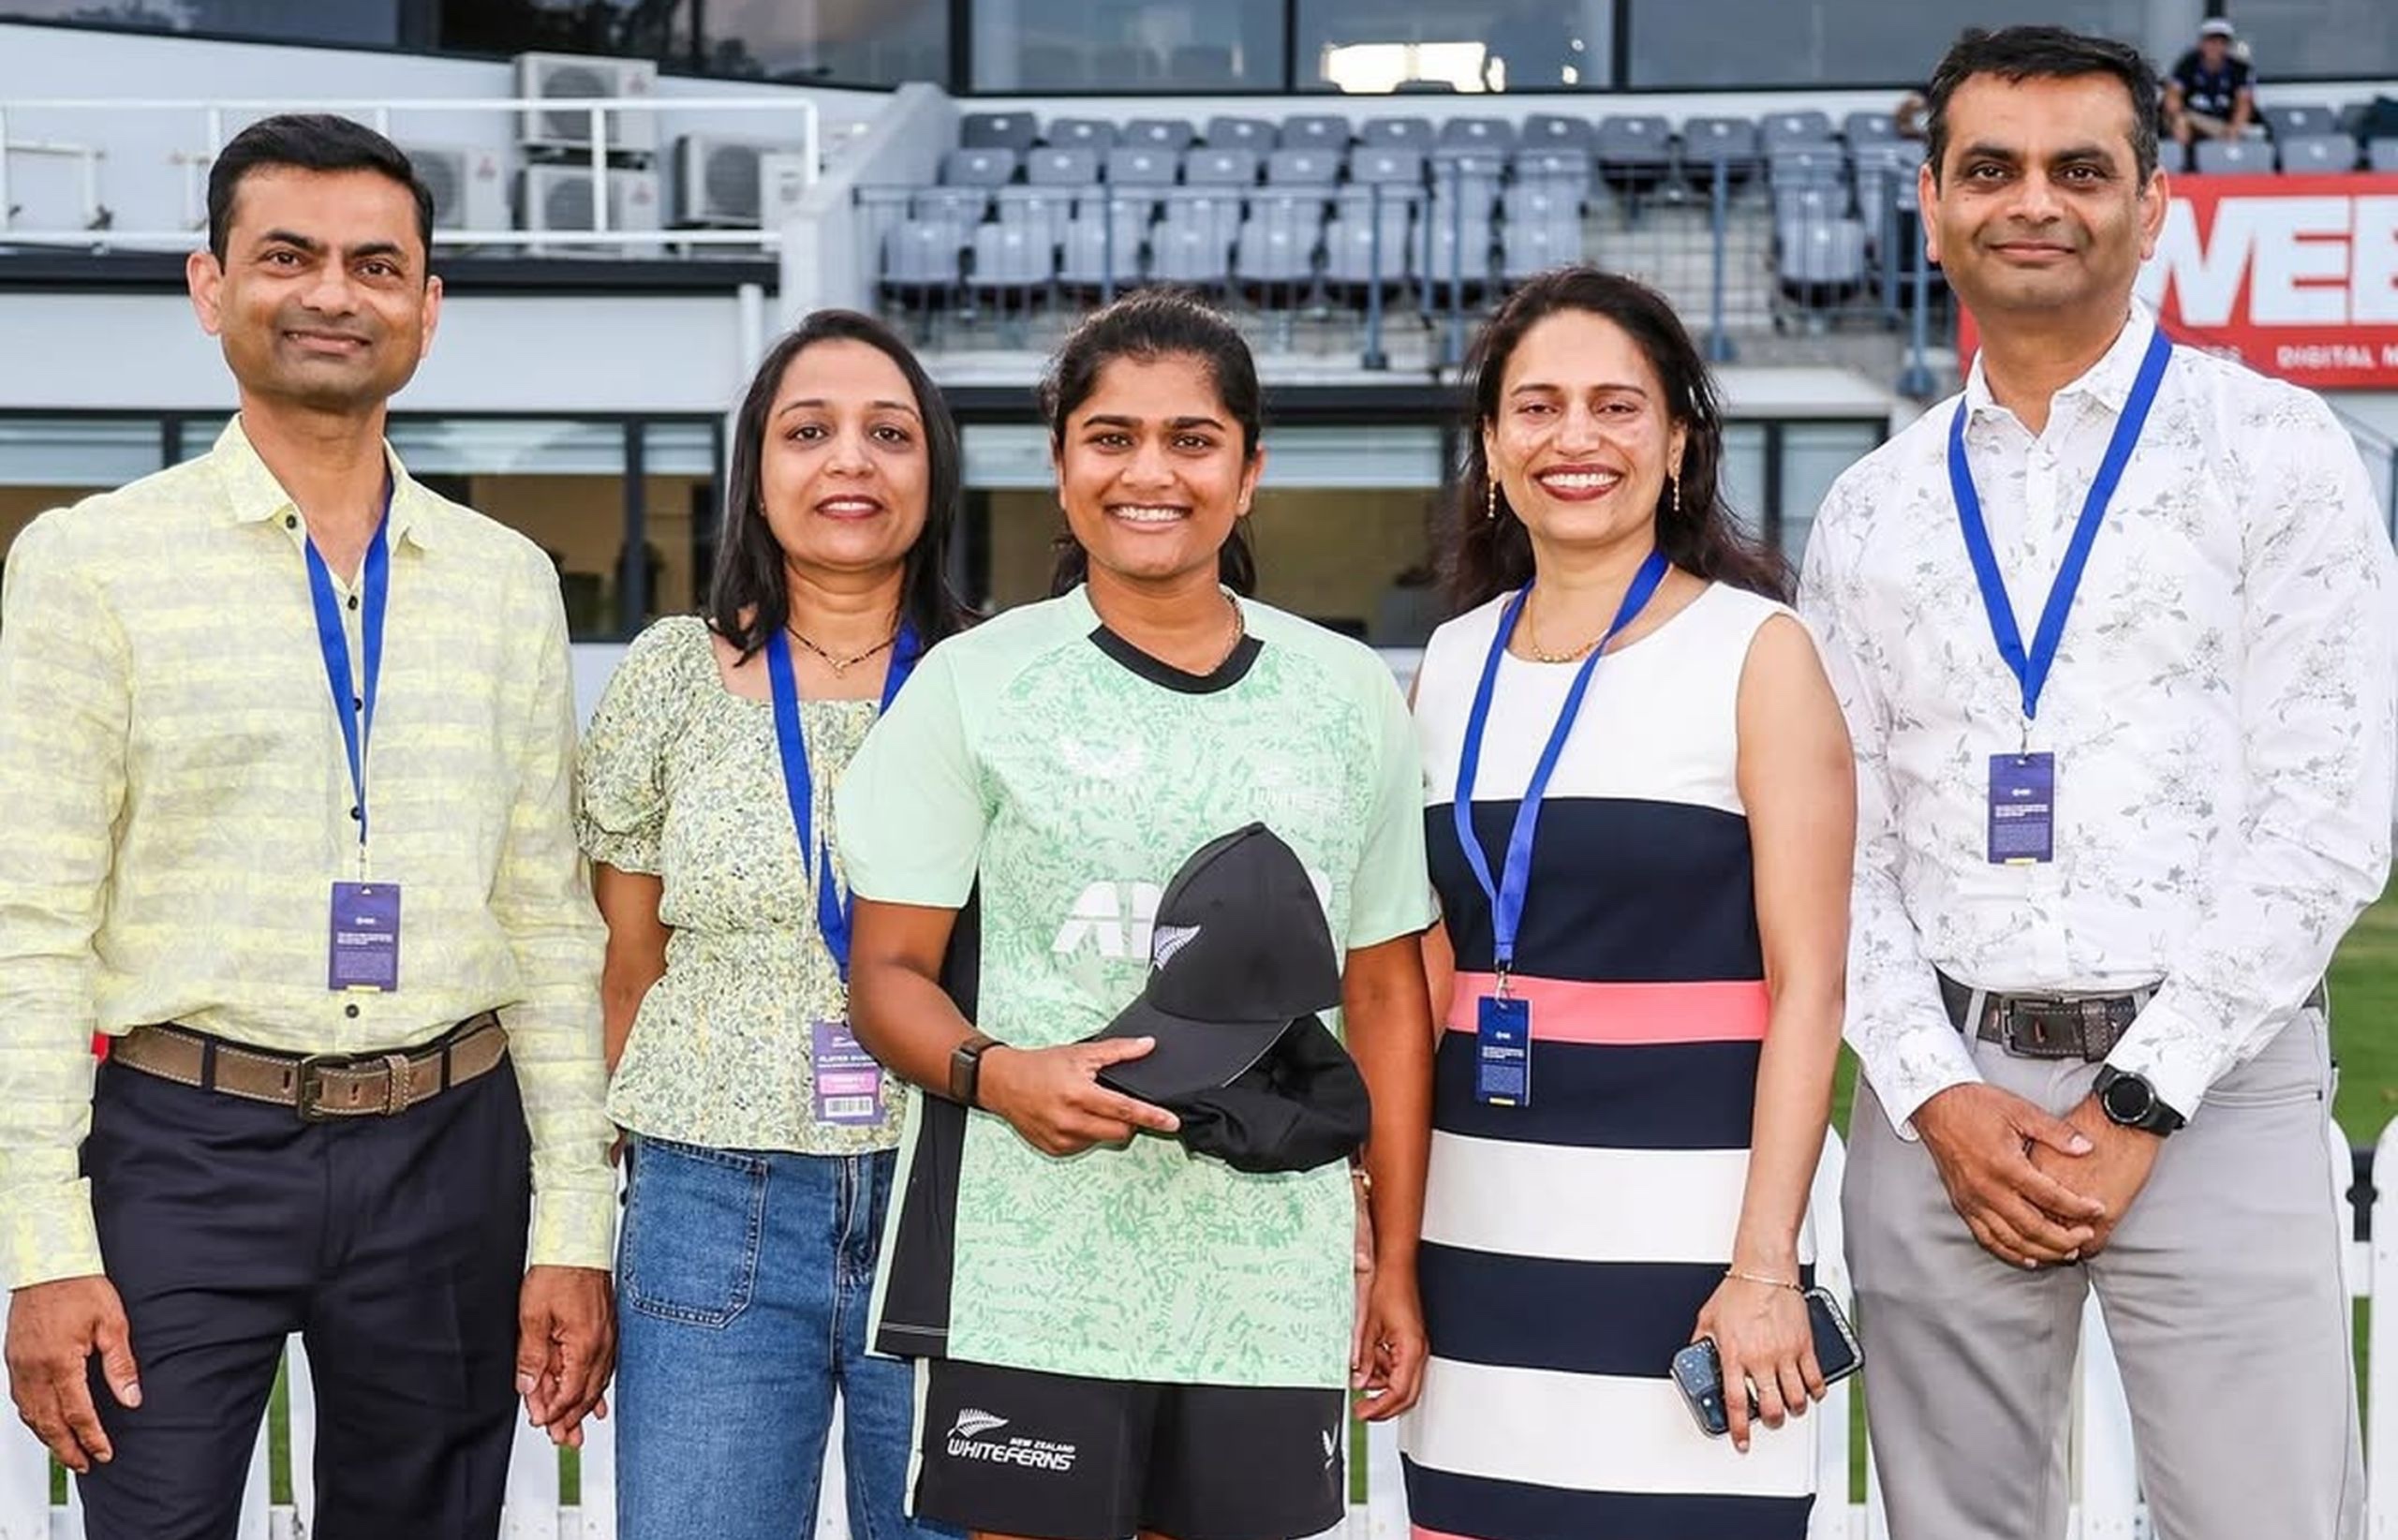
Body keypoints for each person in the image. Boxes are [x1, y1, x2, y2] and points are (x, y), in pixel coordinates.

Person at [1802, 26, 2394, 1540]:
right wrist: (1935, 1093)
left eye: (2081, 168)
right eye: (1990, 168)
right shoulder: (1871, 510)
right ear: (1932, 203)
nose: (2033, 202)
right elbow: (1835, 844)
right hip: (1946, 1105)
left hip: (2217, 1089)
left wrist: (2145, 1092)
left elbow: (2331, 808)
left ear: (2155, 205)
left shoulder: (2278, 450)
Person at [0, 114, 616, 1538]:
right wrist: (42, 1246)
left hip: (451, 1149)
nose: (334, 293)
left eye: (375, 265)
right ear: (209, 286)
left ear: (427, 309)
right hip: (182, 1150)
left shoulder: (504, 581)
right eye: (288, 257)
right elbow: (32, 925)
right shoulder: (91, 565)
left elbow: (547, 921)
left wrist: (572, 1225)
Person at [836, 289, 1439, 1540]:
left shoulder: (1345, 695)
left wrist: (1392, 1257)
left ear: (1249, 473)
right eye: (1110, 438)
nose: (1150, 473)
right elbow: (886, 974)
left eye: (1192, 440)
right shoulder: (975, 687)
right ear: (1060, 469)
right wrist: (997, 1074)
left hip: (1265, 1270)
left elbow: (1386, 992)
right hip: (1032, 1264)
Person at [1399, 266, 1854, 1537]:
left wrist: (1764, 1265)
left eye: (1616, 406)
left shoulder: (1758, 653)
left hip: (1694, 1257)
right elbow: (1422, 969)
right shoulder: (1451, 662)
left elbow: (1810, 988)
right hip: (1476, 1241)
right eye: (1537, 407)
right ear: (1493, 446)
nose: (1576, 439)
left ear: (1679, 442)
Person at [576, 310, 970, 1540]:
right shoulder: (671, 676)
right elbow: (624, 970)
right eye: (808, 432)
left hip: (956, 1198)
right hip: (710, 1202)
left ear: (934, 473)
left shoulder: (997, 681)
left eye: (888, 434)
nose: (849, 460)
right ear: (755, 473)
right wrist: (585, 1208)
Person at [2164, 18, 2257, 151]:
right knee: (2180, 122)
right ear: (2201, 43)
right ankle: (2185, 160)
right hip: (2193, 120)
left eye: (2222, 42)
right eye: (2211, 41)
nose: (2215, 47)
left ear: (2228, 46)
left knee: (2242, 134)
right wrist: (2177, 115)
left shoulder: (2239, 68)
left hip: (2224, 124)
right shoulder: (2188, 64)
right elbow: (2172, 95)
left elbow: (2244, 103)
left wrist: (2235, 128)